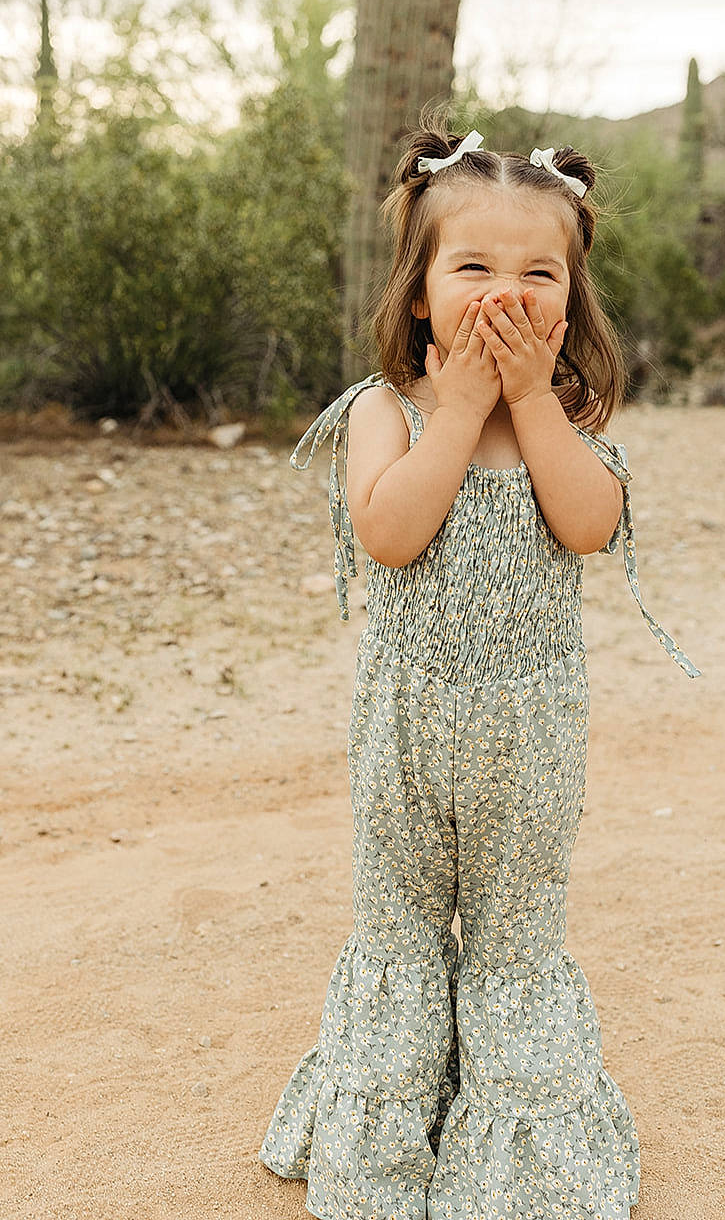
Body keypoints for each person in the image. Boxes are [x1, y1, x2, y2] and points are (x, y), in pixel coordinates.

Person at [258, 111, 699, 1219]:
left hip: (531, 735)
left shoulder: (568, 415)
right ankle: (385, 1150)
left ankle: (515, 1162)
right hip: (406, 729)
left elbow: (589, 525)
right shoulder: (384, 410)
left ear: (571, 299)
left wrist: (528, 403)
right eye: (472, 268)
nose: (506, 293)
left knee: (513, 940)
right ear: (418, 293)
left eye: (537, 272)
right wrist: (456, 410)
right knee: (400, 928)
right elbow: (389, 534)